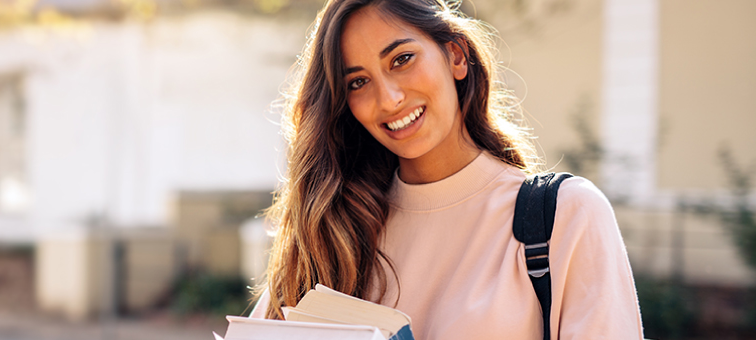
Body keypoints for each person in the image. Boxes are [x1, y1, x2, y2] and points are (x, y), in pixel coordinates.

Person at [245, 0, 643, 338]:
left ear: (455, 55)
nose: (389, 99)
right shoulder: (332, 232)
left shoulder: (565, 216)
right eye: (358, 82)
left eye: (401, 60)